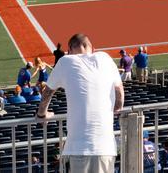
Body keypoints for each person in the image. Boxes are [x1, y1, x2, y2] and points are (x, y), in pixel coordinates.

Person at [36, 33, 124, 173]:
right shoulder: (106, 58)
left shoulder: (66, 61)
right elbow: (119, 91)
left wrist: (42, 114)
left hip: (79, 147)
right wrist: (116, 108)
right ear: (92, 49)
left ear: (70, 50)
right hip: (106, 147)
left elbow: (47, 92)